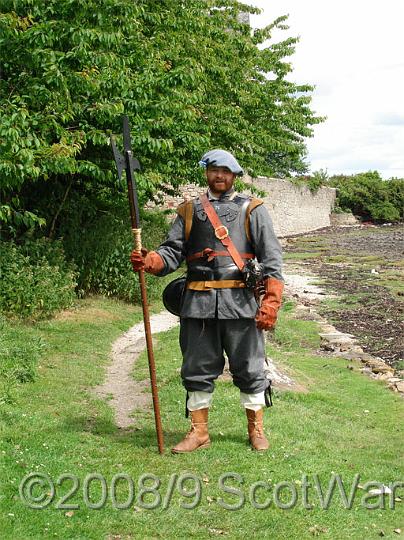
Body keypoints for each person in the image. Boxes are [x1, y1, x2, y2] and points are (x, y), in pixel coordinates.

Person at [130, 149, 283, 453]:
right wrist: (150, 260)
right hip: (198, 304)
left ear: (235, 176)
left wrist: (271, 303)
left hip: (241, 303)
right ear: (207, 172)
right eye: (214, 170)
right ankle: (198, 432)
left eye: (226, 171)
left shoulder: (253, 209)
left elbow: (272, 260)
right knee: (196, 368)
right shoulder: (188, 211)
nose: (220, 176)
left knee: (250, 368)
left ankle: (256, 430)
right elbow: (172, 252)